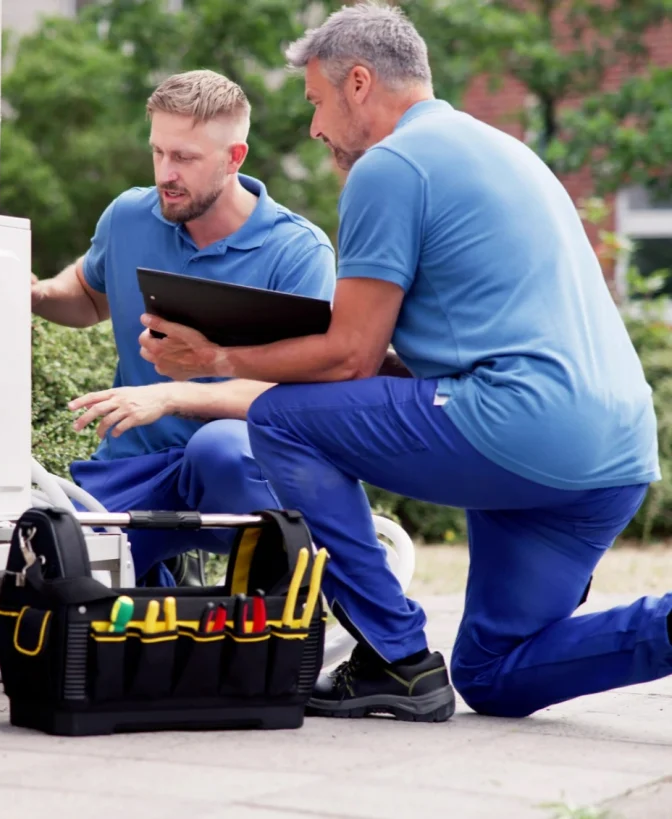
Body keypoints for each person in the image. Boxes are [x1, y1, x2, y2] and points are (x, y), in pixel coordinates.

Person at [137, 1, 665, 722]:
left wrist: (216, 357)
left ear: (360, 83)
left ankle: (398, 655)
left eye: (318, 102)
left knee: (282, 419)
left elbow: (350, 358)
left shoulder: (391, 165)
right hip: (614, 453)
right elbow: (404, 356)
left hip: (516, 426)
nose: (317, 126)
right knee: (493, 673)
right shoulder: (504, 148)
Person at [31, 69, 336, 586]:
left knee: (216, 450)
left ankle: (291, 597)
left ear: (234, 158)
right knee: (59, 571)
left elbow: (301, 393)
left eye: (185, 158)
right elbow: (86, 297)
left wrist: (171, 398)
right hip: (135, 463)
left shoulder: (298, 252)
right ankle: (163, 586)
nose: (165, 173)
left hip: (241, 464)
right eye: (159, 153)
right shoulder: (128, 217)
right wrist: (31, 294)